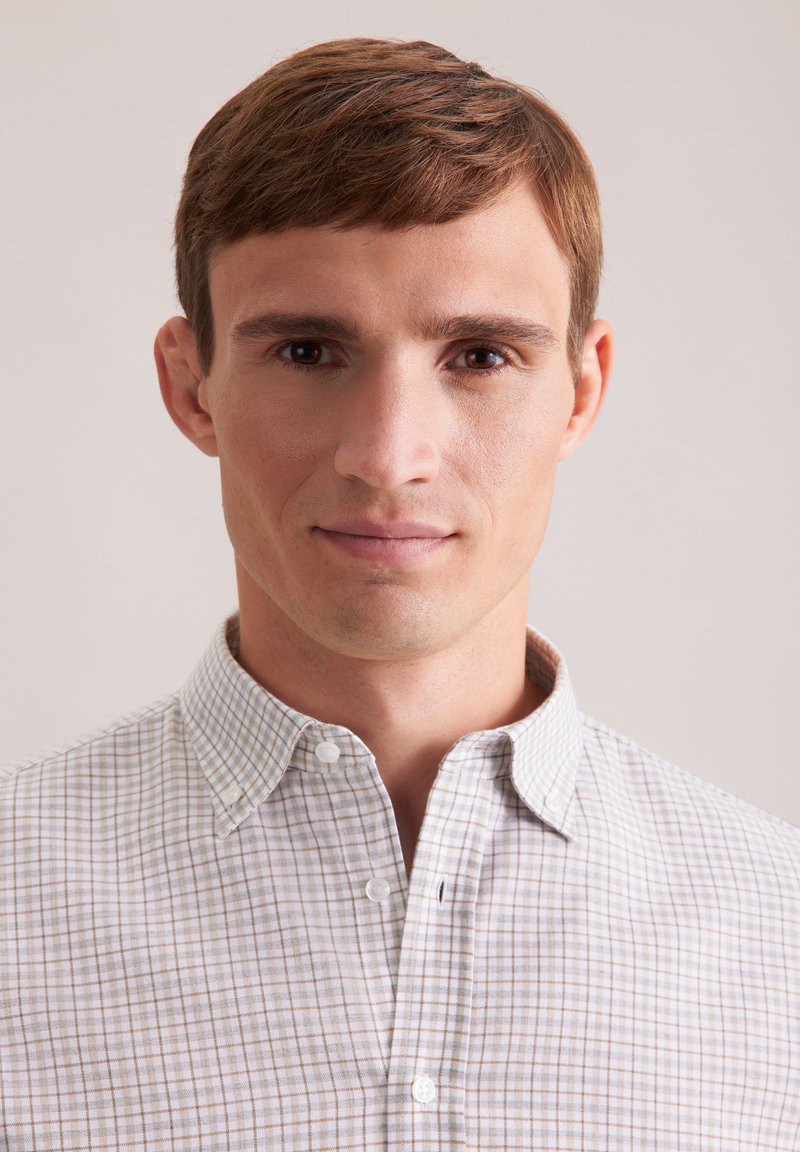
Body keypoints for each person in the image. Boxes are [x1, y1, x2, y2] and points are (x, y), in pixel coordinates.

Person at [1, 36, 798, 1151]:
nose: (387, 457)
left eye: (479, 356)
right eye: (307, 351)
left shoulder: (776, 933)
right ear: (191, 387)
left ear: (581, 392)